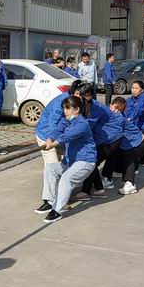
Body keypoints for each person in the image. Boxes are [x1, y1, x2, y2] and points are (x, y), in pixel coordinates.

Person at [40, 96, 97, 224]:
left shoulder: (82, 124)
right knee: (50, 169)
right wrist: (50, 138)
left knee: (66, 178)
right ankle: (50, 202)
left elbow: (68, 136)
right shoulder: (65, 120)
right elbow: (57, 130)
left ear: (76, 110)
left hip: (85, 161)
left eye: (68, 108)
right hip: (70, 161)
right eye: (64, 108)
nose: (65, 111)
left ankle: (57, 210)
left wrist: (54, 144)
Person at [78, 83, 124, 199]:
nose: (77, 97)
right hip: (104, 138)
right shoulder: (86, 105)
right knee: (92, 161)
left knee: (90, 161)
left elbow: (85, 126)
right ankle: (99, 190)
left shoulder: (95, 108)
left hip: (111, 138)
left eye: (80, 94)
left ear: (88, 95)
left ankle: (86, 192)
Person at [33, 88, 73, 213]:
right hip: (46, 136)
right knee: (51, 167)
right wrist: (52, 140)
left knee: (62, 165)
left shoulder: (75, 102)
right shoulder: (61, 103)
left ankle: (60, 195)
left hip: (59, 138)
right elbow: (53, 124)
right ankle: (51, 201)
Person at [106, 97, 144, 195]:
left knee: (129, 158)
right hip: (128, 144)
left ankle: (130, 184)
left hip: (138, 144)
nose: (116, 111)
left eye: (119, 109)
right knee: (113, 153)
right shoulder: (112, 116)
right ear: (110, 105)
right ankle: (108, 177)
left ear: (123, 110)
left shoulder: (118, 118)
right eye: (115, 107)